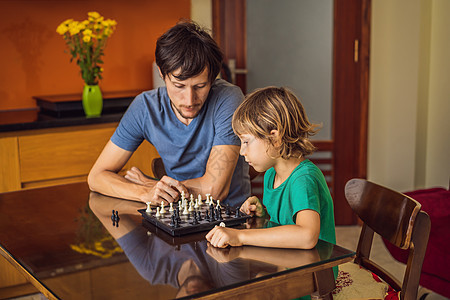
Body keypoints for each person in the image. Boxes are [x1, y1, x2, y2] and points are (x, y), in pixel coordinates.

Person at [88, 20, 251, 208]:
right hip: (177, 216)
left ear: (213, 79)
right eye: (178, 86)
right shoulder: (144, 107)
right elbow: (96, 177)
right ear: (161, 73)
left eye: (200, 86)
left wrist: (152, 184)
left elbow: (215, 189)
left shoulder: (228, 97)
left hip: (231, 221)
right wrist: (145, 192)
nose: (189, 100)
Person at [206, 86, 336, 250]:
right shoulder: (271, 175)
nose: (241, 151)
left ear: (275, 138)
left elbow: (307, 236)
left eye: (246, 142)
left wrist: (240, 236)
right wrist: (264, 215)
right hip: (289, 261)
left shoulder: (303, 179)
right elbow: (287, 226)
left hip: (315, 273)